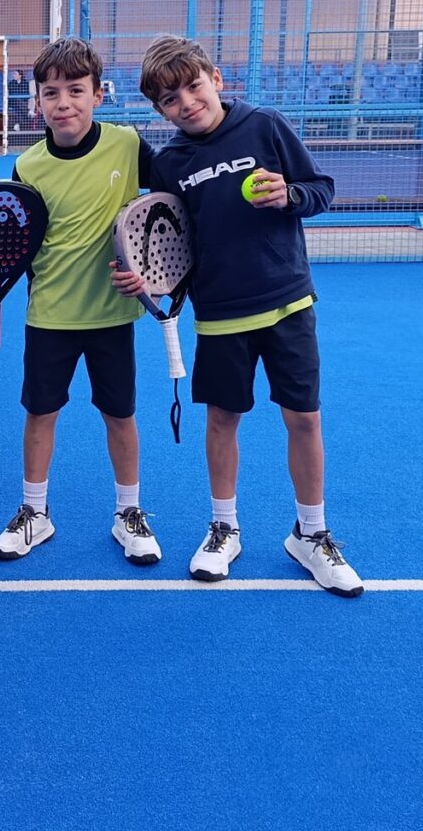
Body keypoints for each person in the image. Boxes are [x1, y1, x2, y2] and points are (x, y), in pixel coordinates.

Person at [118, 34, 362, 597]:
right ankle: (224, 526)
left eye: (193, 86)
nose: (186, 102)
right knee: (223, 420)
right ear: (160, 111)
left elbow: (321, 188)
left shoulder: (265, 125)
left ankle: (312, 533)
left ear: (216, 79)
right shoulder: (171, 162)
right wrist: (144, 276)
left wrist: (290, 197)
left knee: (303, 419)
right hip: (220, 316)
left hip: (288, 303)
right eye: (170, 99)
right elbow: (163, 238)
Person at [0, 36, 162, 567]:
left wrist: (151, 275)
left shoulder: (127, 145)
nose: (64, 103)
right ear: (38, 101)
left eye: (76, 90)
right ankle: (34, 513)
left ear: (98, 94)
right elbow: (15, 245)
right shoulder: (28, 166)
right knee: (40, 413)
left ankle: (129, 513)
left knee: (120, 415)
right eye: (51, 93)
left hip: (113, 316)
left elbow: (170, 209)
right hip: (48, 315)